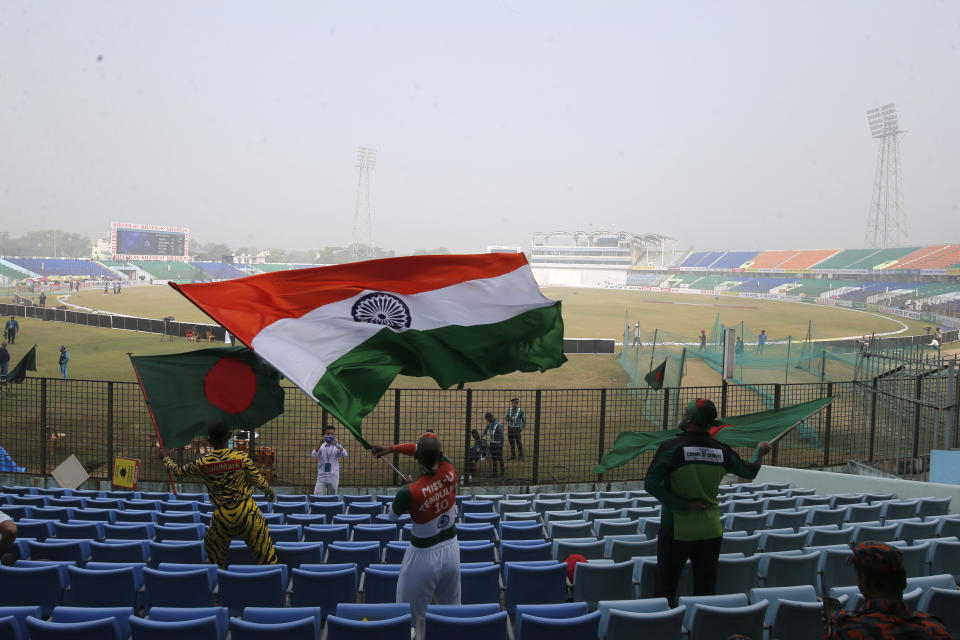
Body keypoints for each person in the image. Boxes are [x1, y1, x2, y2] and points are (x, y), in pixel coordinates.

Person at [645, 398, 771, 607]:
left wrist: (684, 505)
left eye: (686, 411)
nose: (683, 413)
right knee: (705, 588)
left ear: (691, 418)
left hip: (676, 528)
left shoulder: (671, 447)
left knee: (666, 587)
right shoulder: (722, 450)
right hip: (710, 530)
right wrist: (759, 451)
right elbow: (750, 471)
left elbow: (651, 484)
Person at [372, 433, 460, 638]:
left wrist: (404, 487)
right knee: (453, 611)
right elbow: (423, 451)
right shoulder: (449, 469)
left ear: (418, 459)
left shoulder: (409, 492)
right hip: (452, 549)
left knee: (410, 618)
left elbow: (392, 516)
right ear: (440, 454)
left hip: (423, 555)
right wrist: (391, 448)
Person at [159, 421, 279, 568]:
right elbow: (258, 479)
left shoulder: (203, 462)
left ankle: (217, 582)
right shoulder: (241, 458)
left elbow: (178, 471)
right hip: (248, 512)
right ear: (229, 436)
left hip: (222, 516)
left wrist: (165, 458)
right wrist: (269, 492)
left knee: (214, 561)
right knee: (267, 557)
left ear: (209, 441)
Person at [824, 542, 951, 639]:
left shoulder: (845, 631)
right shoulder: (936, 630)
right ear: (904, 582)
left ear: (863, 582)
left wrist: (832, 626)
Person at [312, 426, 347, 495]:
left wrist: (337, 444)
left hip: (333, 476)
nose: (330, 435)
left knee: (333, 497)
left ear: (334, 435)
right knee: (317, 495)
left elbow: (345, 454)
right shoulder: (321, 446)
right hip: (322, 477)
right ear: (325, 435)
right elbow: (313, 454)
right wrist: (320, 442)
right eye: (328, 434)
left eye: (331, 434)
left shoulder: (337, 446)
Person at [482, 412, 505, 477]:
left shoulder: (499, 425)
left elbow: (502, 436)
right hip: (492, 443)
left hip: (498, 444)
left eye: (488, 420)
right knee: (494, 458)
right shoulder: (489, 423)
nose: (488, 421)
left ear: (491, 418)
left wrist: (501, 445)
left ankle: (502, 473)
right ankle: (495, 473)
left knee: (500, 458)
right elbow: (485, 430)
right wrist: (483, 435)